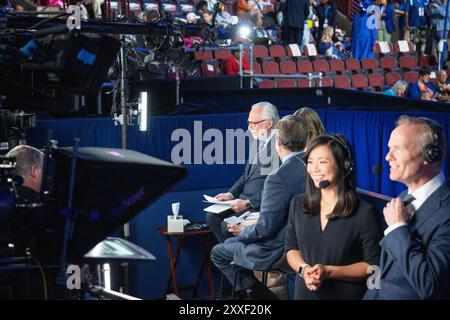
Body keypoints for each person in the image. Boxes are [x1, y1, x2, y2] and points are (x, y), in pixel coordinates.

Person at [211, 115, 309, 299]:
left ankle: (265, 299)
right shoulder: (311, 167)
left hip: (278, 248)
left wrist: (243, 231)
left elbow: (265, 229)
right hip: (305, 242)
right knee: (229, 244)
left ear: (278, 141)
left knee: (218, 252)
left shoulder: (277, 177)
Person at [286, 134, 382, 299]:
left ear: (344, 165)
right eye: (310, 162)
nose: (314, 169)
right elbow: (291, 249)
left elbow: (372, 265)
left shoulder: (364, 213)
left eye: (322, 162)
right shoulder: (298, 204)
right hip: (304, 292)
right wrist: (304, 269)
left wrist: (329, 272)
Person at [364, 116, 450, 299]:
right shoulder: (403, 199)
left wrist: (398, 228)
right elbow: (384, 270)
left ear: (431, 155)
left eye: (397, 149)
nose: (388, 157)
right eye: (389, 149)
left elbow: (430, 284)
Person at [206, 102, 280, 243]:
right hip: (241, 200)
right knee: (212, 216)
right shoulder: (257, 142)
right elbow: (245, 176)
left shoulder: (278, 147)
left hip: (257, 205)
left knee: (227, 225)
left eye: (254, 123)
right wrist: (230, 194)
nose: (249, 127)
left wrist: (247, 203)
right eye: (248, 123)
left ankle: (234, 257)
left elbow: (273, 188)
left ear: (269, 123)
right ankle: (230, 256)